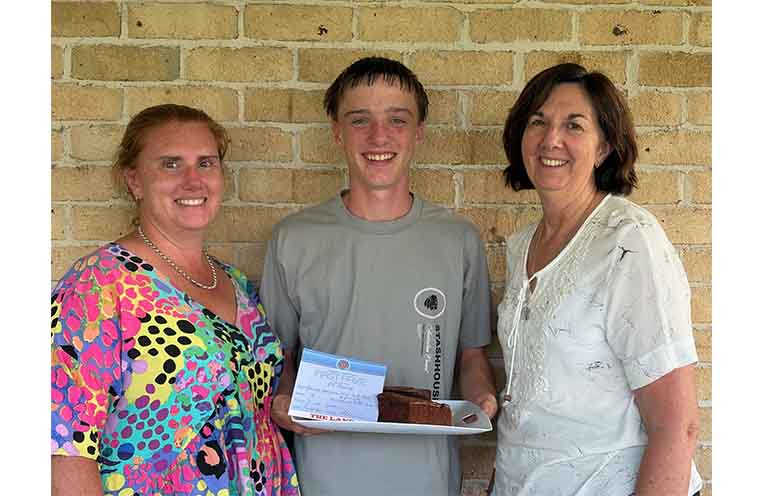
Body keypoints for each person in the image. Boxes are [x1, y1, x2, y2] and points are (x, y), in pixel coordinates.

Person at [260, 56, 498, 496]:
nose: (378, 136)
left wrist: (482, 399)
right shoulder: (294, 239)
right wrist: (281, 401)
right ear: (336, 131)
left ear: (419, 132)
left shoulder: (458, 239)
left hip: (427, 478)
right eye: (359, 120)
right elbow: (280, 357)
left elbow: (471, 355)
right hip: (321, 477)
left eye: (397, 120)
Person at [51, 104, 300, 496]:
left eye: (206, 163)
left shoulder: (237, 285)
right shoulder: (97, 286)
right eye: (170, 164)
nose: (193, 180)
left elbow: (257, 393)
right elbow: (64, 445)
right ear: (133, 180)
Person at [491, 63, 702, 495]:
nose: (552, 139)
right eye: (538, 122)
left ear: (604, 147)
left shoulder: (628, 241)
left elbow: (676, 425)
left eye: (574, 125)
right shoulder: (520, 246)